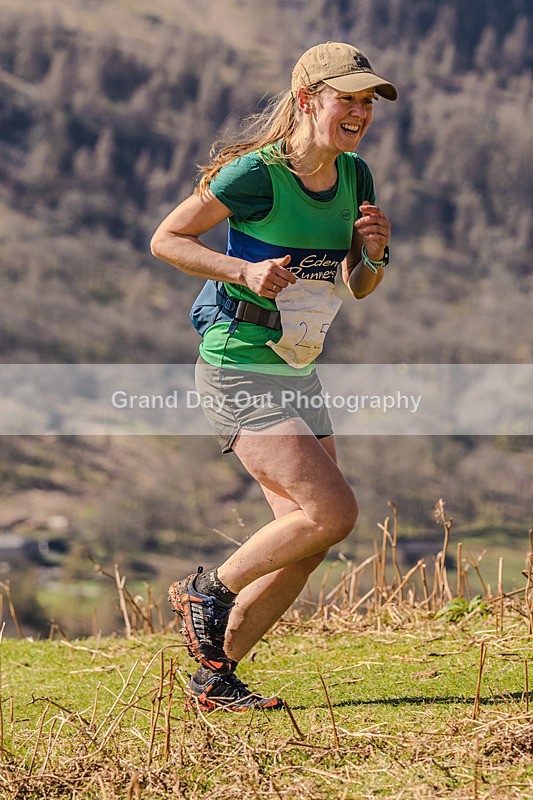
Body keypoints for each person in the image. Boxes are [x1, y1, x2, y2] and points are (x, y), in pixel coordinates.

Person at [150, 41, 398, 711]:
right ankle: (207, 591)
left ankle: (214, 676)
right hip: (238, 365)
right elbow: (167, 239)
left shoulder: (356, 176)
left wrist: (374, 255)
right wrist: (243, 270)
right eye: (346, 99)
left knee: (307, 539)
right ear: (307, 100)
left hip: (298, 370)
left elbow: (357, 285)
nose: (359, 112)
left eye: (367, 101)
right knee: (333, 512)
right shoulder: (256, 175)